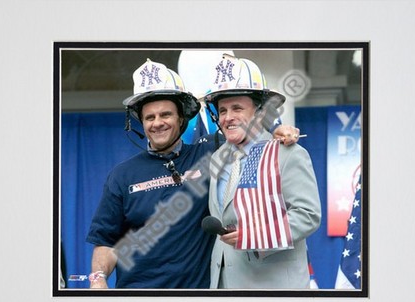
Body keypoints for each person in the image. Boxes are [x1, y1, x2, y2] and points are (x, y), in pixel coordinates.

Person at [85, 58, 301, 289]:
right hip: (137, 299)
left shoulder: (213, 154)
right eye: (150, 117)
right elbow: (105, 241)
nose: (157, 123)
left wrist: (275, 129)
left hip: (200, 300)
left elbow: (242, 124)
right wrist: (98, 279)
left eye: (165, 115)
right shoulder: (121, 175)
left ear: (181, 119)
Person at [203, 54, 321, 289]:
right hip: (224, 286)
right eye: (223, 110)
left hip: (274, 288)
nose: (228, 117)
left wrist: (255, 235)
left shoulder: (287, 152)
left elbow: (308, 215)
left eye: (237, 108)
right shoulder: (216, 157)